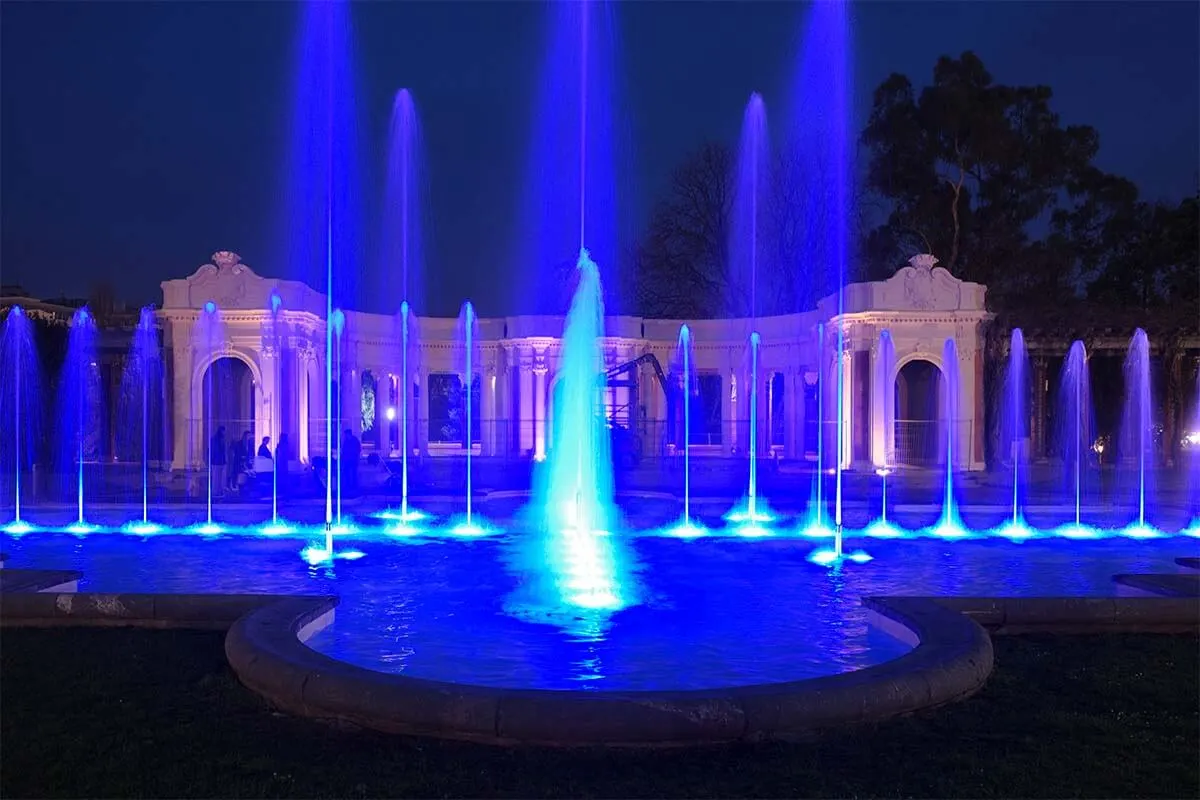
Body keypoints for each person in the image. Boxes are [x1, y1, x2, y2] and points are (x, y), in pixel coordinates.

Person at [340, 428, 361, 496]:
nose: (346, 436)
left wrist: (355, 456)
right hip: (348, 460)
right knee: (348, 473)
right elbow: (344, 450)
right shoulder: (346, 441)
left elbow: (358, 449)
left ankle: (354, 486)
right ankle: (348, 485)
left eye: (346, 434)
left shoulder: (354, 441)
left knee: (353, 473)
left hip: (353, 460)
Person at [209, 426, 227, 497]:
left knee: (219, 478)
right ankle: (216, 492)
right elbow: (215, 451)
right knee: (216, 478)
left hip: (219, 461)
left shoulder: (220, 439)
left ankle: (218, 491)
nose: (224, 433)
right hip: (217, 461)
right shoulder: (215, 439)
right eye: (223, 431)